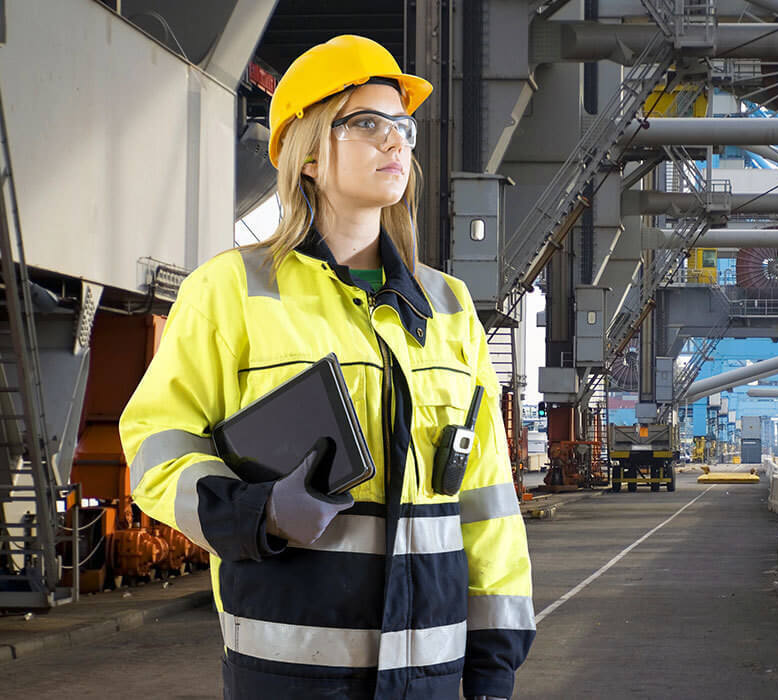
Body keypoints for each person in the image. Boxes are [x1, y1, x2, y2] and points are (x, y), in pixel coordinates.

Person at [119, 35, 534, 699]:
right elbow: (157, 449)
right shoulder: (232, 290)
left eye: (403, 127)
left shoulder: (448, 308)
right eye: (367, 123)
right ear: (308, 151)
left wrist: (494, 664)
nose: (395, 142)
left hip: (428, 674)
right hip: (289, 673)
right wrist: (253, 510)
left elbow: (487, 502)